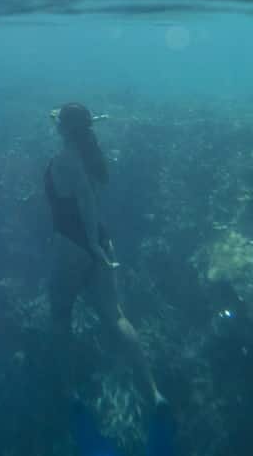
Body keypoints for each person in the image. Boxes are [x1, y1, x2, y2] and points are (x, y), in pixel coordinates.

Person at [45, 102, 165, 408]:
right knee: (115, 317)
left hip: (72, 244)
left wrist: (90, 246)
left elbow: (83, 197)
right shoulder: (93, 156)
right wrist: (97, 244)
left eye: (59, 121)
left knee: (60, 317)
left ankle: (69, 390)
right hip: (100, 237)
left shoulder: (64, 160)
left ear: (64, 129)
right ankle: (152, 393)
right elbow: (90, 193)